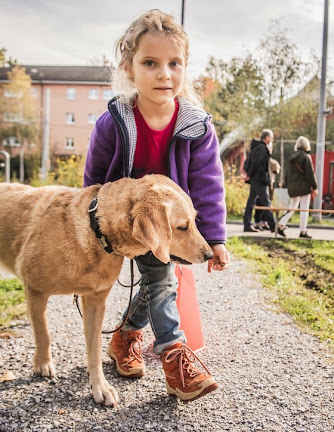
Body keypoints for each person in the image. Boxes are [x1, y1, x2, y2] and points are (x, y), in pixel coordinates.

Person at [83, 9, 228, 402]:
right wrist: (93, 227)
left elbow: (208, 185)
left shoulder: (197, 126)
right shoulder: (114, 121)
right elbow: (93, 180)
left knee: (161, 280)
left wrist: (214, 238)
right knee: (160, 282)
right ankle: (152, 345)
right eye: (150, 63)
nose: (164, 73)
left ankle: (151, 346)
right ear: (130, 68)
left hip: (171, 223)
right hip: (125, 221)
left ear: (184, 68)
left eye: (173, 63)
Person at [276, 136, 318, 238]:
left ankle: (281, 225)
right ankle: (303, 231)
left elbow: (287, 174)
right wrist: (314, 187)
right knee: (304, 209)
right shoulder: (305, 157)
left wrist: (288, 185)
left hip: (292, 186)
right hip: (303, 187)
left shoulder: (291, 157)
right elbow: (309, 174)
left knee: (292, 207)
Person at [243, 129, 276, 233]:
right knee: (266, 202)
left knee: (251, 202)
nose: (272, 139)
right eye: (271, 136)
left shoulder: (259, 147)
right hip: (259, 179)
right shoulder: (261, 148)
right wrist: (250, 175)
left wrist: (250, 175)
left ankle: (247, 224)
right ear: (266, 137)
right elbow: (256, 163)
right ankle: (273, 226)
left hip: (256, 179)